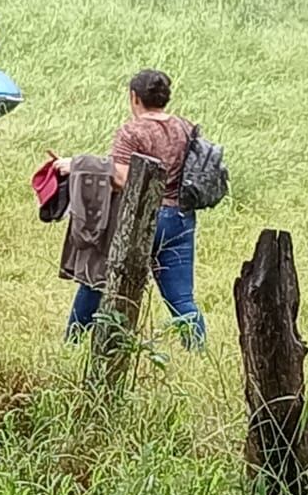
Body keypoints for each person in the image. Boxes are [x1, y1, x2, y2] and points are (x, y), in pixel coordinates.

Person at [64, 69, 207, 348]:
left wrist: (78, 165)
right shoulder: (185, 126)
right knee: (181, 299)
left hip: (143, 219)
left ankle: (73, 343)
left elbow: (121, 177)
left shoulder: (133, 131)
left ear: (134, 97)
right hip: (181, 218)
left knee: (97, 282)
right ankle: (199, 351)